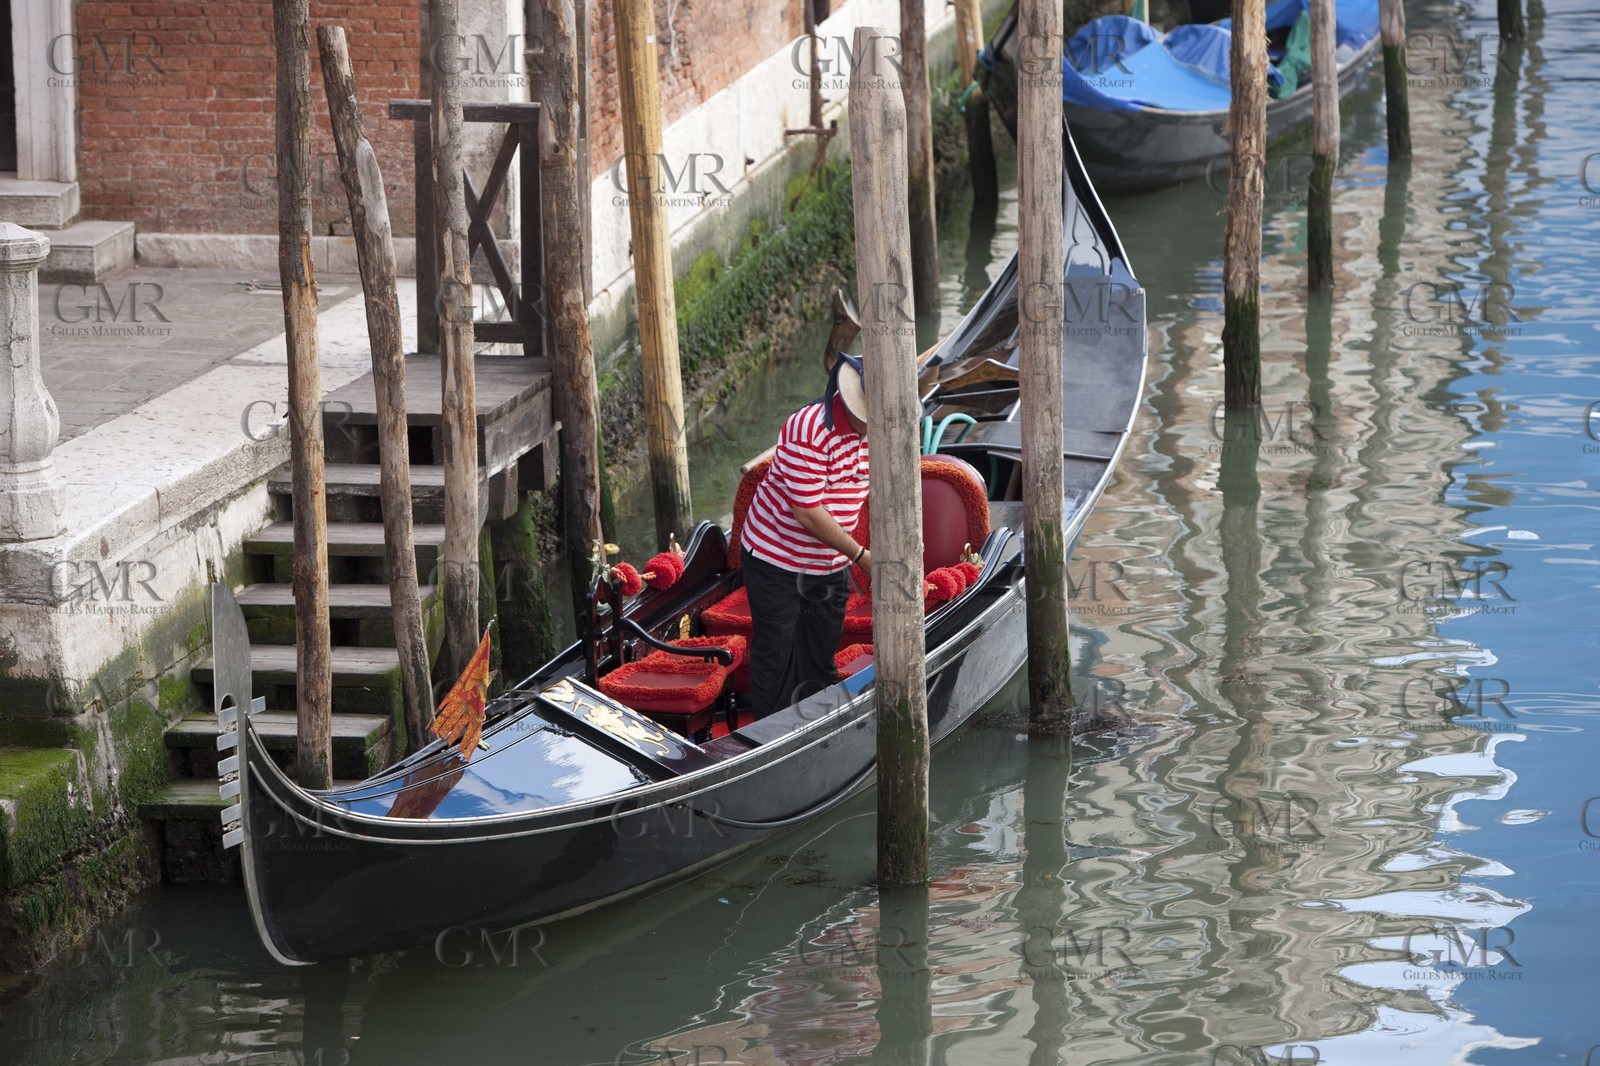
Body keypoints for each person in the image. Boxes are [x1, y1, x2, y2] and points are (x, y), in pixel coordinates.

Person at [740, 354, 871, 719]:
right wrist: (861, 556)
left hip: (830, 562)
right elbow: (808, 512)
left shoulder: (883, 433)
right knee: (776, 653)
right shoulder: (809, 429)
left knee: (821, 654)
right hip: (775, 557)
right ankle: (768, 735)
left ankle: (820, 728)